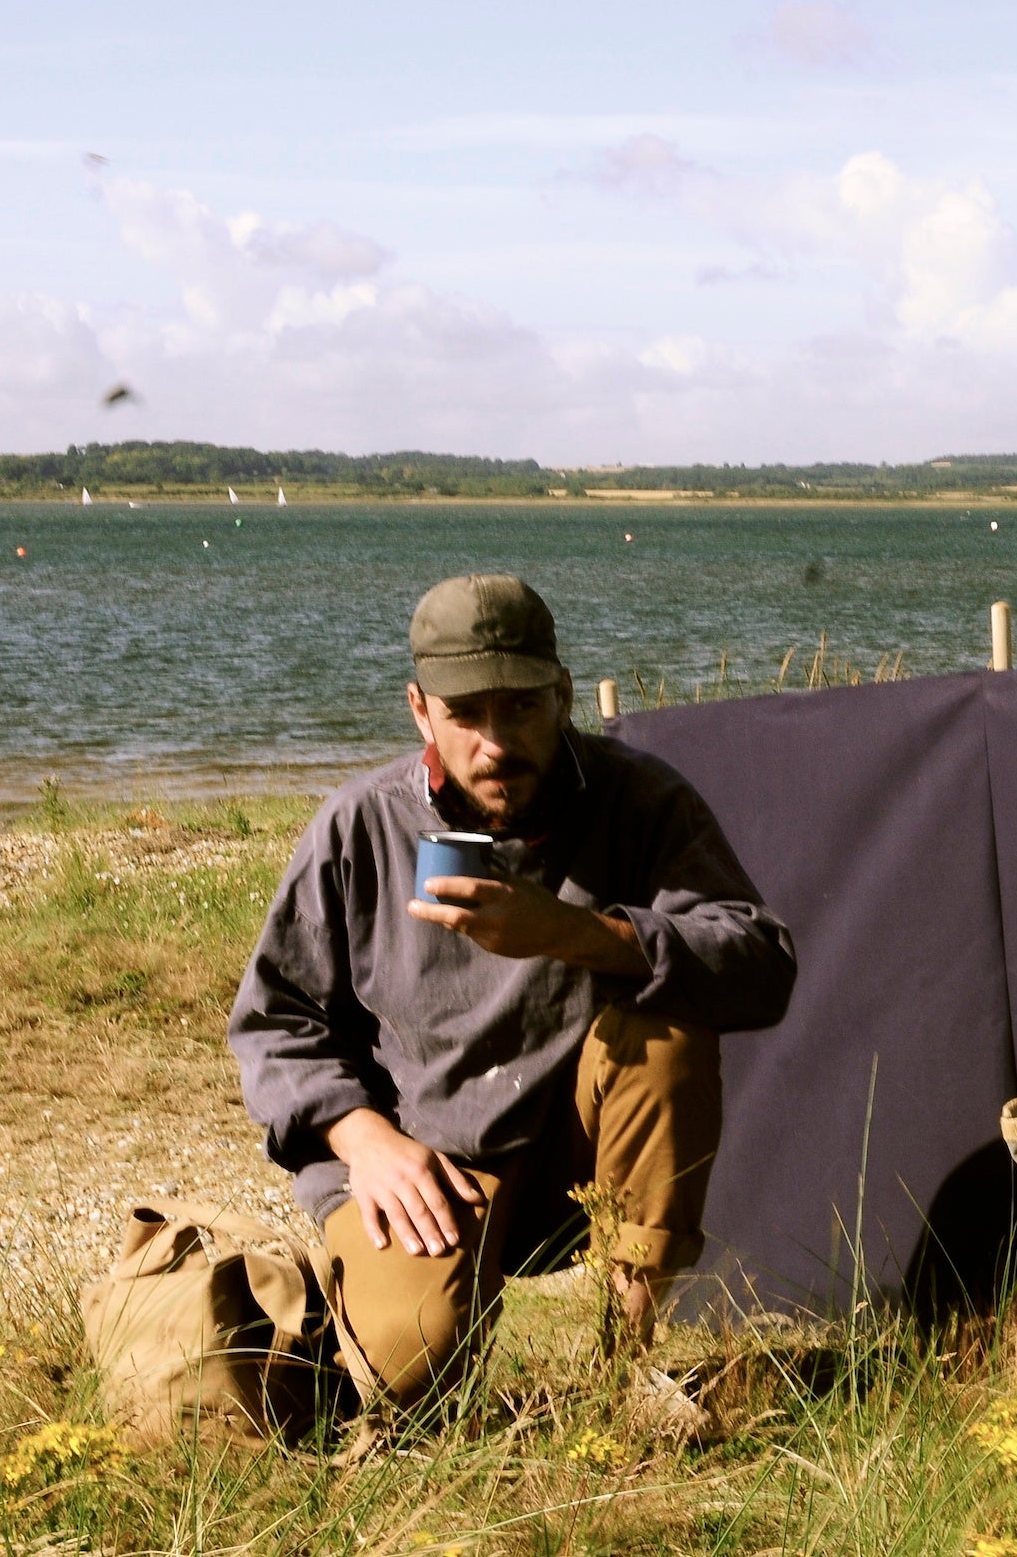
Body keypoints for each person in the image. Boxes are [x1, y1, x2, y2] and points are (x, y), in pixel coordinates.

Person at [229, 574, 794, 1409]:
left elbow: (760, 963)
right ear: (421, 711)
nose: (496, 743)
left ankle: (623, 1369)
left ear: (561, 695)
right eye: (465, 716)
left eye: (522, 708)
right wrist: (363, 1140)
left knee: (665, 1035)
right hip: (421, 1164)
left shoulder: (640, 802)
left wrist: (574, 933)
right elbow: (274, 1024)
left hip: (576, 1163)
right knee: (405, 1374)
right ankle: (343, 1301)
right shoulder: (361, 826)